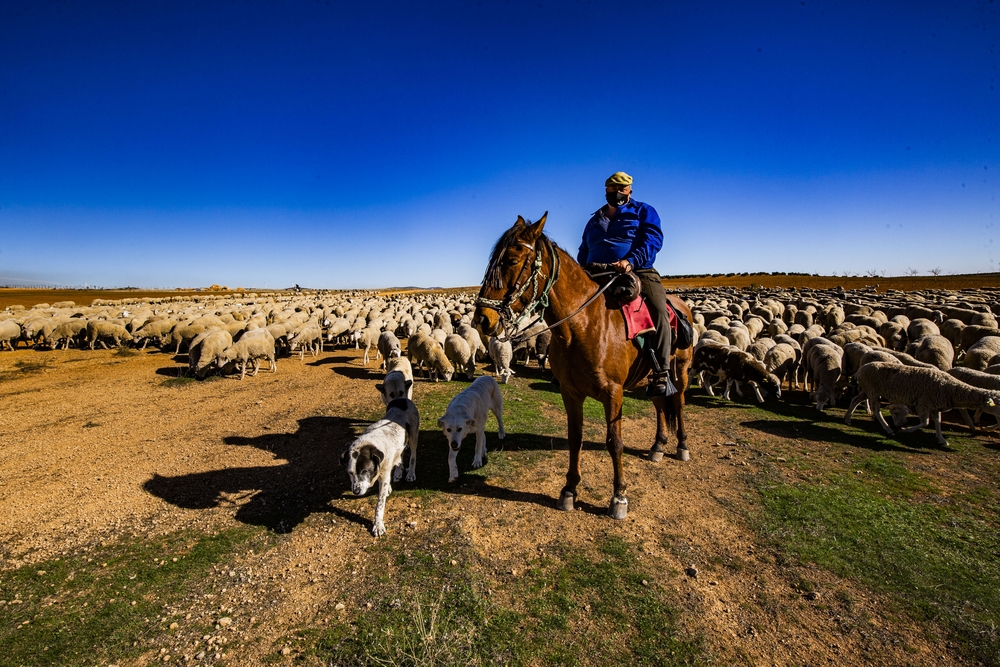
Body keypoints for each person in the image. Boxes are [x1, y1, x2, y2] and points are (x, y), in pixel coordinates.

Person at [577, 171, 676, 397]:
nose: (617, 192)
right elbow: (584, 248)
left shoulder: (643, 211)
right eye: (613, 189)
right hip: (595, 273)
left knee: (658, 309)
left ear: (630, 190)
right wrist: (581, 270)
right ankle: (567, 365)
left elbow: (653, 240)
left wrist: (630, 261)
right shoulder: (595, 219)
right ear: (606, 191)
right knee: (570, 308)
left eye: (622, 189)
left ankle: (661, 371)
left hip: (636, 271)